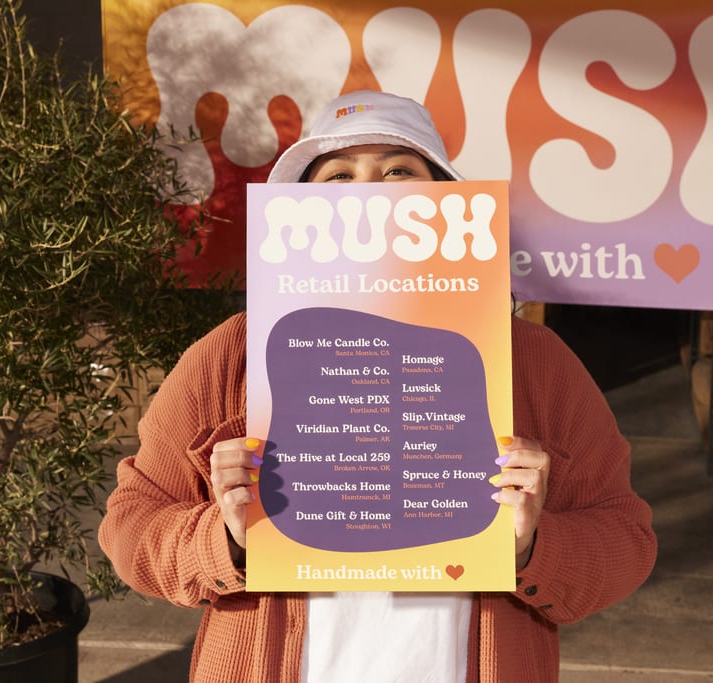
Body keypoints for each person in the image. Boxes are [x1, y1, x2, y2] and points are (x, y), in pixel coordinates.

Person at [98, 90, 657, 682]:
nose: (368, 191)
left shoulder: (535, 363)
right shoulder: (229, 356)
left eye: (398, 170)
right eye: (338, 175)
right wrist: (224, 539)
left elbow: (626, 542)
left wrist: (532, 544)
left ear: (445, 203)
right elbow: (131, 529)